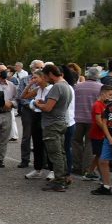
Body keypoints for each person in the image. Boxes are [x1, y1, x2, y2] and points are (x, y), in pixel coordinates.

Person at [34, 64, 73, 192]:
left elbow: (48, 108)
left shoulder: (57, 87)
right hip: (61, 122)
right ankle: (65, 177)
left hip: (52, 124)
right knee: (61, 152)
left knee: (55, 154)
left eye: (45, 76)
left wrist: (37, 104)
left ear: (50, 74)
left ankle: (59, 181)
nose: (46, 79)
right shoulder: (66, 85)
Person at [72, 67, 103, 179]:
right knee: (89, 143)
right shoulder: (100, 88)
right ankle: (87, 168)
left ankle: (76, 166)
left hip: (77, 118)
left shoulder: (78, 86)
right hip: (92, 119)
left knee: (76, 142)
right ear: (98, 76)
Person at [90, 84, 112, 195]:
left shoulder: (105, 104)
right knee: (101, 157)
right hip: (99, 135)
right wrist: (108, 133)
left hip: (104, 135)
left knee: (99, 156)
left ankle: (90, 172)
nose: (111, 97)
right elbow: (100, 121)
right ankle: (103, 181)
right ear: (103, 93)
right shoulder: (99, 104)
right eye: (110, 94)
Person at [0, 65, 17, 169]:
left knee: (4, 139)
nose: (5, 73)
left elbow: (16, 99)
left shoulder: (11, 85)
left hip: (7, 113)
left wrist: (11, 103)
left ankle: (0, 159)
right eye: (2, 71)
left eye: (6, 71)